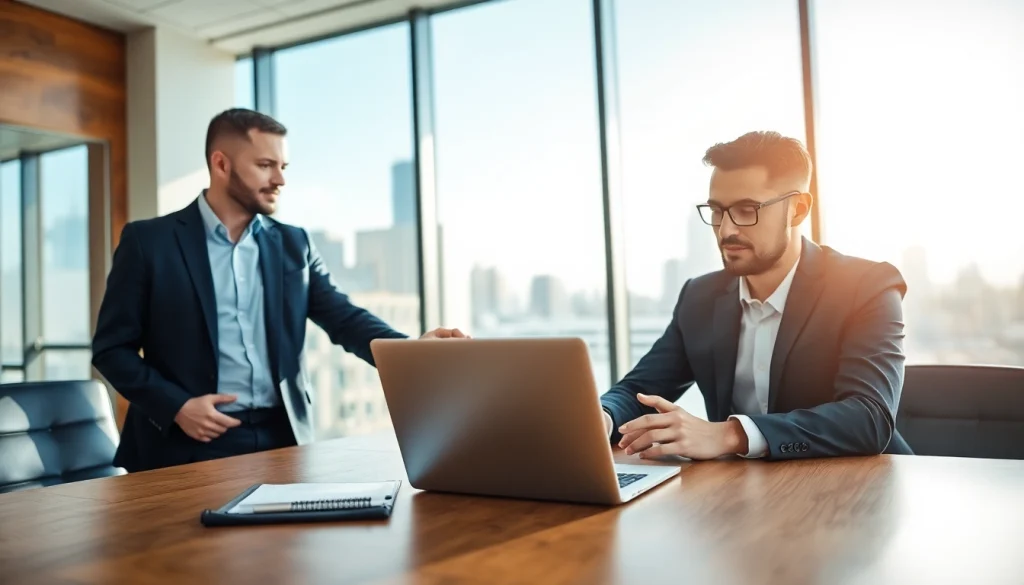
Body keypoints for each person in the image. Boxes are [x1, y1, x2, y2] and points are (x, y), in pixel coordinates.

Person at [92, 108, 467, 472]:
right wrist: (177, 406)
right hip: (187, 443)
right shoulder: (149, 242)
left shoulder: (294, 245)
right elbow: (111, 349)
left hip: (283, 439)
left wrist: (412, 351)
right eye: (265, 165)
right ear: (221, 164)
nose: (280, 180)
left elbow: (345, 319)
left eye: (282, 167)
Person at [601, 130, 912, 460]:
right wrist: (600, 419)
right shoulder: (699, 297)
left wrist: (731, 434)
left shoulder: (866, 286)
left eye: (747, 210)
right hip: (741, 493)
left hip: (861, 491)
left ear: (798, 209)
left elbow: (868, 418)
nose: (726, 230)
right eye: (718, 211)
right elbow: (639, 390)